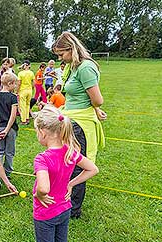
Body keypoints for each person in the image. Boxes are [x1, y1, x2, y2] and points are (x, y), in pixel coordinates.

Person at [22, 105, 99, 242]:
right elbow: (92, 169)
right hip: (64, 210)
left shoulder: (42, 158)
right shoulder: (70, 152)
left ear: (44, 132)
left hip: (45, 214)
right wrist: (71, 184)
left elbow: (44, 187)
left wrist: (39, 194)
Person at [52, 31, 106, 218]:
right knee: (63, 160)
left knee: (76, 164)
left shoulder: (85, 68)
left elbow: (97, 99)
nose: (61, 59)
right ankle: (63, 198)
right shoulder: (71, 67)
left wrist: (96, 109)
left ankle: (73, 209)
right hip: (69, 120)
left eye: (62, 54)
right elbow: (74, 94)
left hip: (80, 125)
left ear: (72, 49)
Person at [0, 73, 18, 178]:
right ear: (10, 83)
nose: (15, 86)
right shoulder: (13, 98)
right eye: (14, 84)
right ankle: (7, 172)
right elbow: (13, 115)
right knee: (9, 152)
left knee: (0, 151)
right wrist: (7, 130)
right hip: (10, 129)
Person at [17, 60, 35, 125]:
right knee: (28, 105)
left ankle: (23, 120)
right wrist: (31, 88)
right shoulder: (31, 73)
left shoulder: (20, 73)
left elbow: (19, 83)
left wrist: (17, 91)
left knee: (22, 106)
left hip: (22, 91)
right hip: (29, 91)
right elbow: (33, 83)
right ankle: (27, 118)